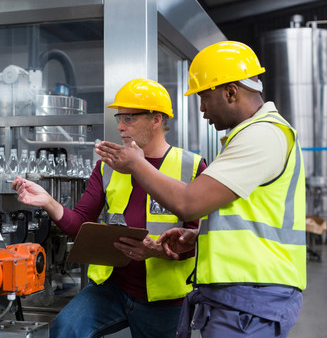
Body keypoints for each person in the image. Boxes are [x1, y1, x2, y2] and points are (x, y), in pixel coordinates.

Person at [95, 41, 306, 338]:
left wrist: (137, 165)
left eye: (205, 97)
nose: (202, 109)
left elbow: (188, 203)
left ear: (231, 92)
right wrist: (199, 238)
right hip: (241, 296)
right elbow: (246, 218)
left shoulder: (263, 136)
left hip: (250, 298)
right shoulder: (250, 136)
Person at [12, 78, 207, 338]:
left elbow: (203, 240)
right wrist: (48, 201)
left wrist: (156, 250)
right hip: (112, 288)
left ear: (156, 119)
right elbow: (80, 223)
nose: (120, 126)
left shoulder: (192, 167)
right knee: (66, 328)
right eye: (119, 117)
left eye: (129, 118)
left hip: (165, 298)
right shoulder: (107, 166)